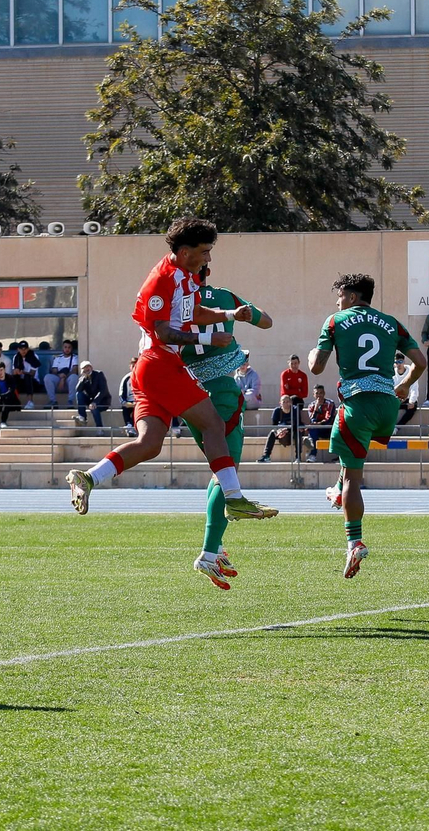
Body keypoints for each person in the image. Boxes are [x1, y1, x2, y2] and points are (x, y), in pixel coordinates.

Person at [66, 218, 277, 592]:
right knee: (213, 425)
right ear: (184, 253)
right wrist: (212, 339)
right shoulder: (161, 281)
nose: (208, 257)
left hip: (153, 371)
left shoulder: (185, 277)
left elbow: (193, 314)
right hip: (159, 366)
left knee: (149, 445)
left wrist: (229, 315)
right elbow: (163, 331)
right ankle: (234, 498)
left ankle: (89, 476)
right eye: (204, 251)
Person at [311, 272, 426, 579]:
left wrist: (312, 353)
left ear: (351, 297)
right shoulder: (391, 322)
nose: (337, 302)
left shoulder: (335, 321)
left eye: (340, 296)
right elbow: (421, 362)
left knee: (353, 477)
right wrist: (404, 385)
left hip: (358, 403)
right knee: (350, 457)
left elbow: (316, 366)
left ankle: (354, 541)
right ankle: (336, 490)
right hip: (388, 404)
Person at [177, 266, 275, 582]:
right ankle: (208, 553)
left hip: (188, 391)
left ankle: (215, 546)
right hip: (221, 389)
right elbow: (266, 321)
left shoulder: (174, 300)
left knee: (220, 469)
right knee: (227, 468)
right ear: (206, 271)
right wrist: (240, 314)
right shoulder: (222, 296)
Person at [260, 394, 302, 462]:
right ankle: (266, 456)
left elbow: (297, 423)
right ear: (280, 403)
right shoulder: (277, 411)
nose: (286, 404)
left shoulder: (295, 410)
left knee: (298, 433)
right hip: (281, 433)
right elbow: (274, 425)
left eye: (287, 401)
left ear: (291, 402)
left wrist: (288, 429)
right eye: (284, 402)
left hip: (292, 432)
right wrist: (279, 431)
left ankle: (298, 457)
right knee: (272, 433)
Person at [303, 384, 337, 462]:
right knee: (312, 429)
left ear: (324, 393)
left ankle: (340, 457)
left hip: (330, 429)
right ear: (314, 395)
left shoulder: (330, 403)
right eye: (317, 393)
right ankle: (312, 455)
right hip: (318, 429)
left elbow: (328, 419)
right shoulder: (311, 405)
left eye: (321, 393)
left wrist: (317, 424)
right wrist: (316, 407)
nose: (319, 395)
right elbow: (312, 419)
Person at [74, 361, 112, 428]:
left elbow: (103, 390)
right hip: (91, 400)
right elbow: (78, 390)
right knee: (79, 394)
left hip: (102, 401)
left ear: (91, 367)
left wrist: (95, 402)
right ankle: (82, 417)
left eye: (88, 367)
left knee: (94, 408)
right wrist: (83, 378)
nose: (86, 369)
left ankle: (99, 428)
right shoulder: (83, 378)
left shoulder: (99, 374)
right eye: (84, 368)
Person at [44, 340, 79, 407]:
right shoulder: (58, 358)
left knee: (74, 377)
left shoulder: (75, 358)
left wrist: (63, 378)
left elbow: (74, 370)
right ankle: (53, 401)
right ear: (63, 348)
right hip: (58, 378)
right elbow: (54, 370)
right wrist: (60, 376)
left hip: (68, 379)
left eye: (69, 347)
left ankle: (70, 401)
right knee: (47, 377)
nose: (67, 349)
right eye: (65, 347)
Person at [394, 352, 421, 426]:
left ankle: (397, 428)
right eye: (396, 362)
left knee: (412, 408)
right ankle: (389, 427)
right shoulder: (392, 372)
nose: (398, 364)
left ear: (404, 361)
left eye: (400, 362)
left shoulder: (411, 371)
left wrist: (412, 401)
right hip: (397, 398)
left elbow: (414, 388)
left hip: (408, 398)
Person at [118, 358, 137, 434]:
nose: (134, 368)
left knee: (137, 408)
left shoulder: (143, 377)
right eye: (133, 366)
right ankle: (129, 426)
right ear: (130, 367)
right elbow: (121, 394)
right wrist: (125, 403)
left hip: (139, 402)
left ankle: (131, 427)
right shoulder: (126, 378)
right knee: (125, 407)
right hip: (129, 402)